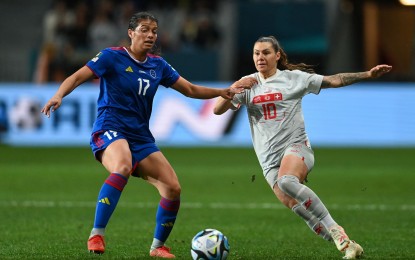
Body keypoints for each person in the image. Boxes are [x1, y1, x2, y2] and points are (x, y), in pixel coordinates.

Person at [41, 12, 246, 259]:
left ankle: (157, 247)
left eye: (155, 31)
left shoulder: (157, 65)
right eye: (144, 29)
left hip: (140, 136)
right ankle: (97, 233)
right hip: (110, 127)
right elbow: (77, 77)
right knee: (123, 165)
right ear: (131, 33)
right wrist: (59, 94)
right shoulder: (111, 56)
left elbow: (190, 89)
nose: (150, 35)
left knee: (173, 188)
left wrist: (222, 92)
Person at [214, 36, 392, 259]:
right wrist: (234, 87)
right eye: (256, 53)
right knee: (299, 209)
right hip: (268, 161)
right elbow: (217, 110)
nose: (260, 57)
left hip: (296, 148)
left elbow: (334, 80)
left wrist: (367, 74)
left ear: (277, 55)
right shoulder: (248, 83)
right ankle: (348, 246)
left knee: (286, 181)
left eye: (266, 52)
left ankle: (337, 231)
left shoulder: (294, 79)